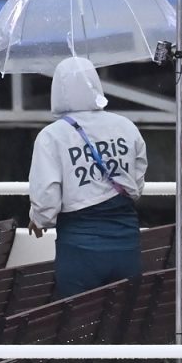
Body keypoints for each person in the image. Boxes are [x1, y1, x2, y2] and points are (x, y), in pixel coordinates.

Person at [28, 57, 147, 298]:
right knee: (123, 315)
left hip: (79, 249)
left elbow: (47, 194)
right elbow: (137, 182)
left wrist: (39, 220)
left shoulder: (52, 136)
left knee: (79, 316)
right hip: (126, 242)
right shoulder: (126, 126)